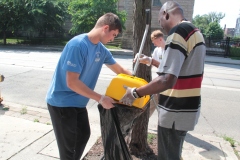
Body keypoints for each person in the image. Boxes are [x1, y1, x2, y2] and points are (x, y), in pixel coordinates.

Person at [120, 1, 206, 160]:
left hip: (175, 111)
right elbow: (179, 70)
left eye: (161, 21)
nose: (163, 28)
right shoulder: (195, 32)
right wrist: (152, 61)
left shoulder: (178, 32)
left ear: (166, 14)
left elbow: (167, 79)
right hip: (187, 109)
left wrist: (135, 93)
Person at [46, 13, 131, 160]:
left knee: (83, 135)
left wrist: (141, 85)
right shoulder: (78, 45)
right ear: (105, 28)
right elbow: (72, 82)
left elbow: (121, 71)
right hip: (62, 103)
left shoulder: (101, 49)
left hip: (78, 102)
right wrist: (100, 98)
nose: (113, 39)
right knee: (68, 148)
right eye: (113, 34)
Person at [133, 30, 166, 117]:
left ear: (160, 39)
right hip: (158, 81)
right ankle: (146, 120)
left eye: (154, 42)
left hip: (166, 83)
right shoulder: (156, 50)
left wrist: (150, 61)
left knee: (163, 106)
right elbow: (152, 63)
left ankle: (164, 124)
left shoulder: (169, 50)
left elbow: (166, 68)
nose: (154, 44)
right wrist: (143, 59)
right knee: (151, 104)